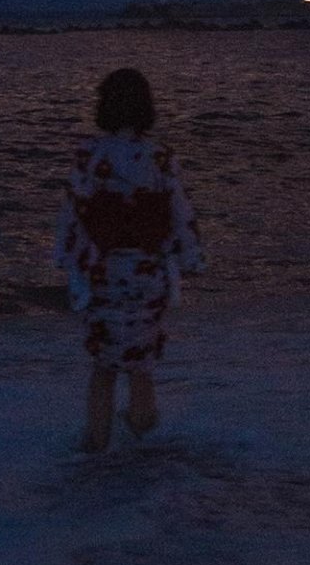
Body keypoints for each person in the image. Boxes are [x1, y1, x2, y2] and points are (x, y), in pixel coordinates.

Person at [54, 67, 204, 452]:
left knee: (103, 365)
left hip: (103, 269)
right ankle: (139, 443)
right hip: (146, 271)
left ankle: (96, 447)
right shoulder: (159, 157)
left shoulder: (88, 155)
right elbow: (179, 212)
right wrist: (191, 256)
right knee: (141, 364)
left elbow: (74, 214)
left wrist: (66, 260)